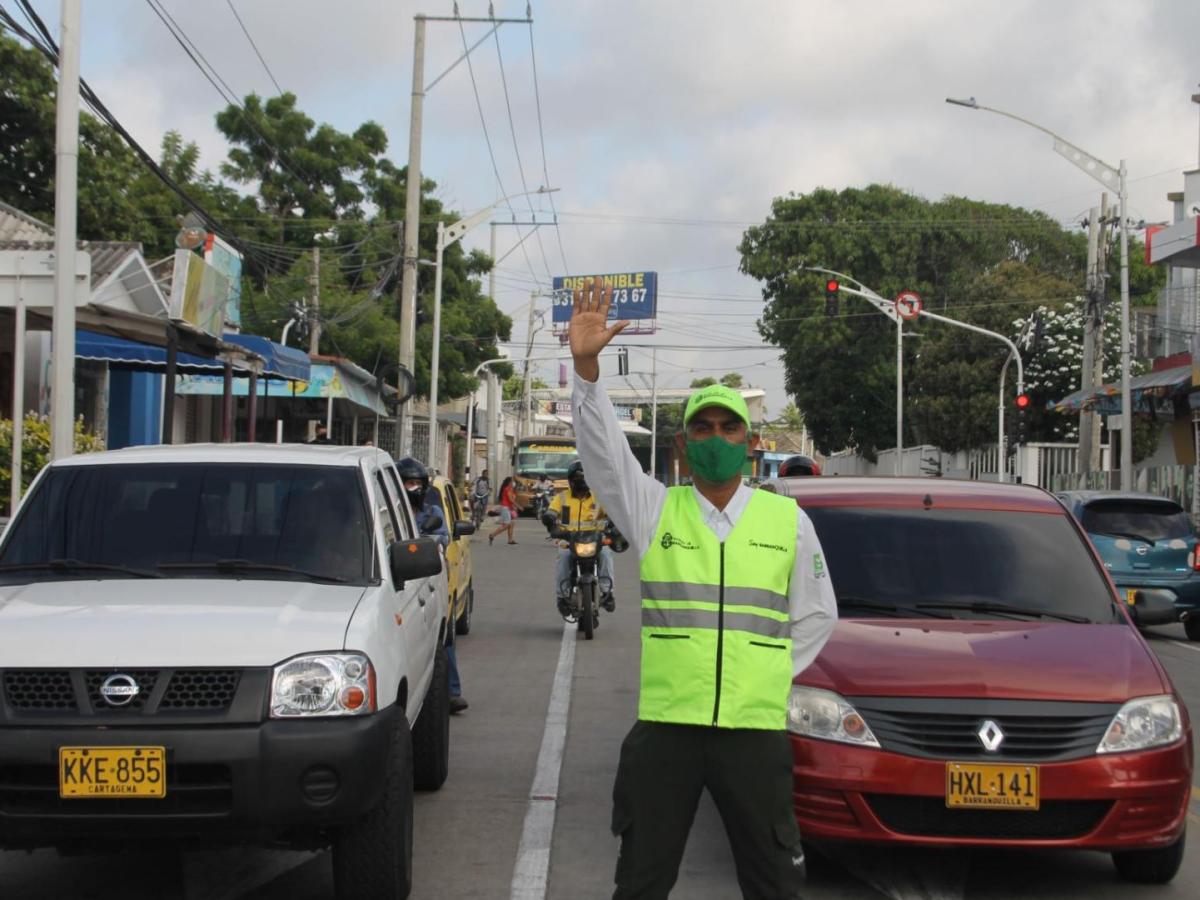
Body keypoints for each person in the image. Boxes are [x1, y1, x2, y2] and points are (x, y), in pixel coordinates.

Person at [568, 279, 838, 900]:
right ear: (683, 446)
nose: (716, 437)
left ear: (749, 442)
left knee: (774, 882)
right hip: (668, 731)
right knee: (640, 882)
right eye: (703, 428)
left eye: (729, 427)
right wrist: (587, 372)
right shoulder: (656, 509)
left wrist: (760, 676)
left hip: (753, 736)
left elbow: (818, 616)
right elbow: (605, 454)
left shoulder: (787, 522)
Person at [398, 457, 468, 714]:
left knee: (444, 637)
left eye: (415, 483)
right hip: (398, 583)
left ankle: (451, 691)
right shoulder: (390, 512)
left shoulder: (433, 513)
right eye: (406, 483)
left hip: (428, 582)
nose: (411, 488)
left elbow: (441, 539)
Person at [542, 459, 616, 617]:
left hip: (595, 539)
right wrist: (550, 520)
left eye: (584, 478)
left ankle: (607, 592)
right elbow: (551, 512)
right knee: (562, 557)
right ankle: (562, 597)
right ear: (570, 481)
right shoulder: (562, 498)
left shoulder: (599, 497)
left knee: (606, 554)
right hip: (569, 540)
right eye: (577, 479)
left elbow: (612, 513)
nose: (581, 482)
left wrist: (613, 523)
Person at [487, 475, 518, 546]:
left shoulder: (511, 489)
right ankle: (492, 535)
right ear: (509, 482)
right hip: (506, 508)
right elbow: (510, 500)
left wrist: (513, 507)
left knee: (511, 524)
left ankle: (510, 540)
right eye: (512, 481)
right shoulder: (507, 489)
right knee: (506, 525)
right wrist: (517, 506)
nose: (513, 483)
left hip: (509, 508)